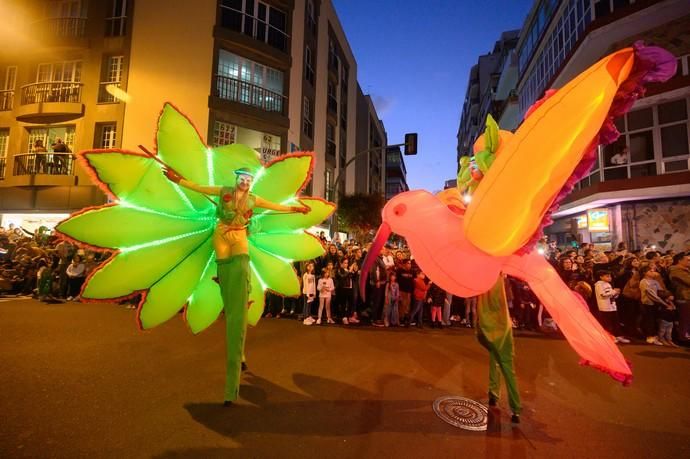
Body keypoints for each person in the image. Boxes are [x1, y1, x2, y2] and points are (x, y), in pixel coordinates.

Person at [163, 166, 308, 406]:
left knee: (240, 266)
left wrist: (296, 208)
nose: (246, 182)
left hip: (239, 235)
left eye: (249, 179)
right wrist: (178, 180)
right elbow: (199, 188)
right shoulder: (224, 191)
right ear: (237, 179)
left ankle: (237, 286)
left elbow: (275, 207)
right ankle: (224, 280)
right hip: (220, 233)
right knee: (225, 268)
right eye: (243, 179)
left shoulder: (254, 199)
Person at [594, 270, 630, 344]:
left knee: (615, 322)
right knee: (607, 323)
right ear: (601, 277)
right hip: (605, 307)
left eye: (610, 276)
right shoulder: (599, 285)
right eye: (607, 276)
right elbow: (603, 294)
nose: (610, 277)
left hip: (612, 306)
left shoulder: (608, 284)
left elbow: (611, 295)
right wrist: (613, 291)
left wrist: (616, 293)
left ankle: (618, 336)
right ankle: (609, 337)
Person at [668, 252, 690, 340]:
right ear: (680, 261)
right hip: (684, 297)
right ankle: (683, 338)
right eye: (687, 260)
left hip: (687, 297)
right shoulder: (676, 271)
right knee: (685, 319)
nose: (689, 262)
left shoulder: (686, 270)